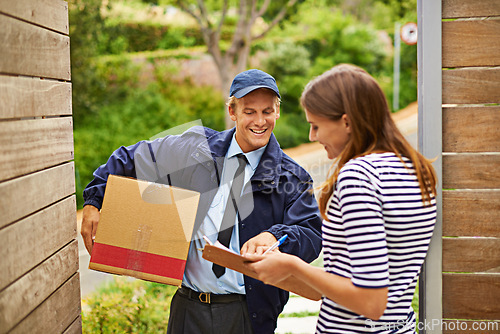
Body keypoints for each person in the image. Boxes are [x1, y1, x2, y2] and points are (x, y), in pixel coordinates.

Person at [81, 69, 323, 334]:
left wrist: (273, 236)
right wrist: (94, 201)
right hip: (188, 308)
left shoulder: (293, 176)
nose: (260, 121)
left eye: (267, 111)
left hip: (247, 315)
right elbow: (130, 158)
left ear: (277, 112)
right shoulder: (196, 148)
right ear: (232, 111)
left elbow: (311, 232)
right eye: (249, 111)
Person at [246, 64, 437, 333]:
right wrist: (280, 272)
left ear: (346, 122)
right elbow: (358, 284)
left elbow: (370, 301)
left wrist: (292, 264)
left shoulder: (359, 176)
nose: (312, 137)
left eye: (316, 126)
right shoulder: (414, 169)